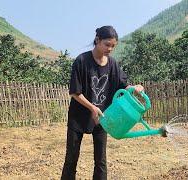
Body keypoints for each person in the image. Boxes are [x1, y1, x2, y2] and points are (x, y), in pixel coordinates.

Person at [61, 25, 144, 180]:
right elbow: (75, 92)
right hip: (78, 117)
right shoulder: (81, 61)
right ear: (97, 40)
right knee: (71, 159)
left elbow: (123, 85)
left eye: (113, 46)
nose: (110, 49)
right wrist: (92, 107)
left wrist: (134, 88)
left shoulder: (113, 64)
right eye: (107, 44)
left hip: (103, 117)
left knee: (101, 161)